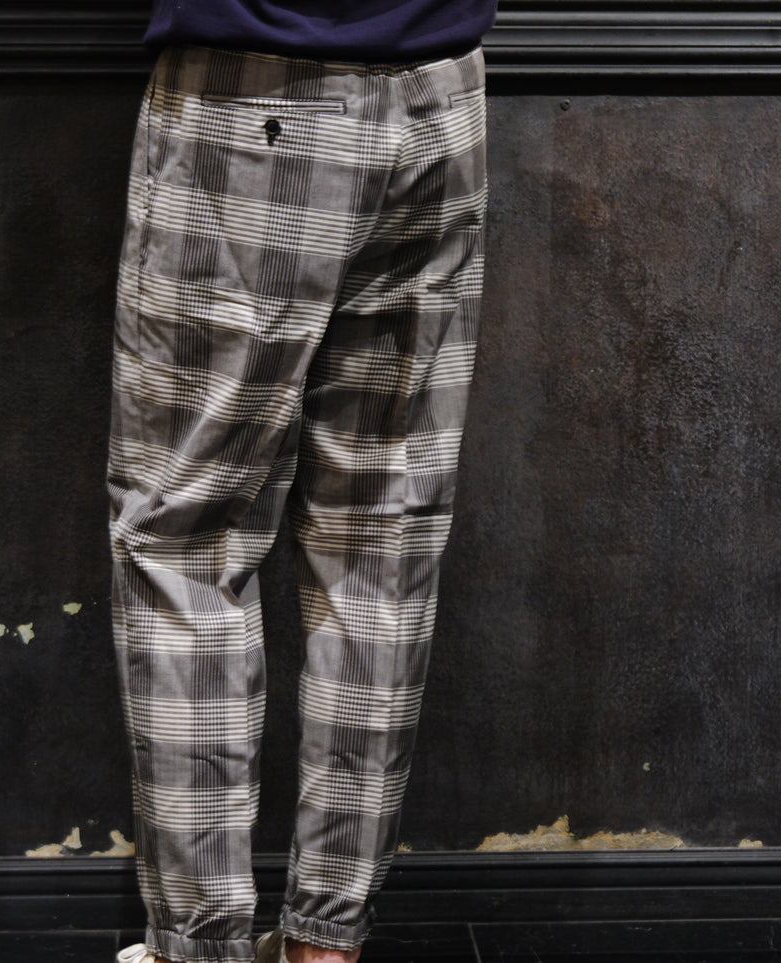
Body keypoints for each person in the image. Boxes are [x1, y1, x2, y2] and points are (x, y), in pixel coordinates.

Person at [108, 3, 497, 961]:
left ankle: (200, 948)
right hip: (441, 99)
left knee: (186, 541)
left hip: (253, 93)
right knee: (382, 532)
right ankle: (324, 946)